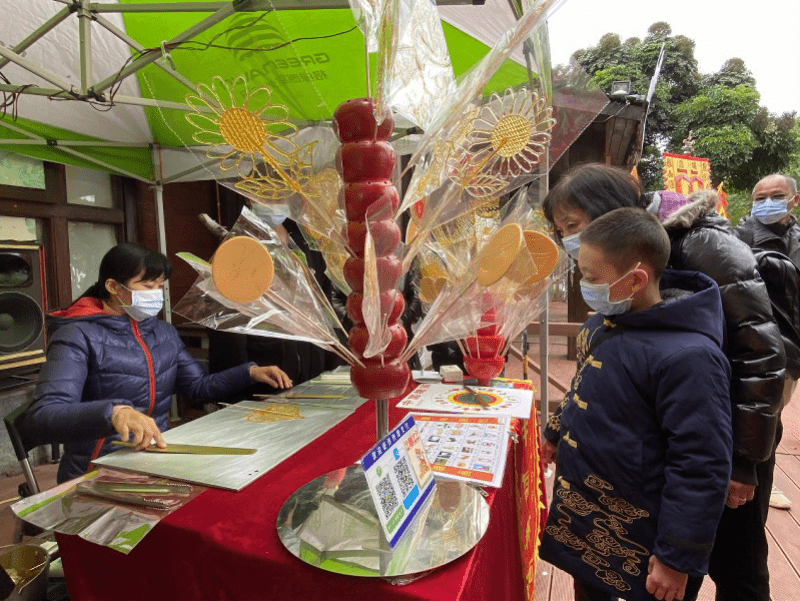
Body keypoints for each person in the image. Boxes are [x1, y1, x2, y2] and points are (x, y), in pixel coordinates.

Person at [542, 163, 786, 601]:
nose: (567, 239)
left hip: (726, 430)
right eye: (562, 230)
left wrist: (743, 460)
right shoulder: (614, 284)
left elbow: (762, 354)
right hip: (664, 430)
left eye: (573, 225)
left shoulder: (702, 247)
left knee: (734, 561)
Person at [539, 207, 732, 601]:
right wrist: (556, 432)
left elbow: (701, 463)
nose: (584, 284)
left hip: (644, 540)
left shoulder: (690, 357)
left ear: (636, 280)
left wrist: (676, 558)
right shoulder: (601, 325)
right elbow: (583, 387)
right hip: (588, 518)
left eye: (592, 278)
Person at [19, 242, 292, 484]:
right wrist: (114, 412)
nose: (156, 295)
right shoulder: (77, 334)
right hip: (97, 468)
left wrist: (250, 372)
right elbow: (44, 414)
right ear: (113, 287)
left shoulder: (163, 332)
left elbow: (198, 386)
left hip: (156, 456)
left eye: (160, 286)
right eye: (147, 286)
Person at [734, 173, 800, 510]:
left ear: (794, 199)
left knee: (772, 414)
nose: (767, 203)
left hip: (790, 353)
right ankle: (754, 476)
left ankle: (761, 475)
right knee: (756, 414)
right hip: (750, 345)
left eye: (776, 196)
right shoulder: (737, 238)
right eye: (760, 198)